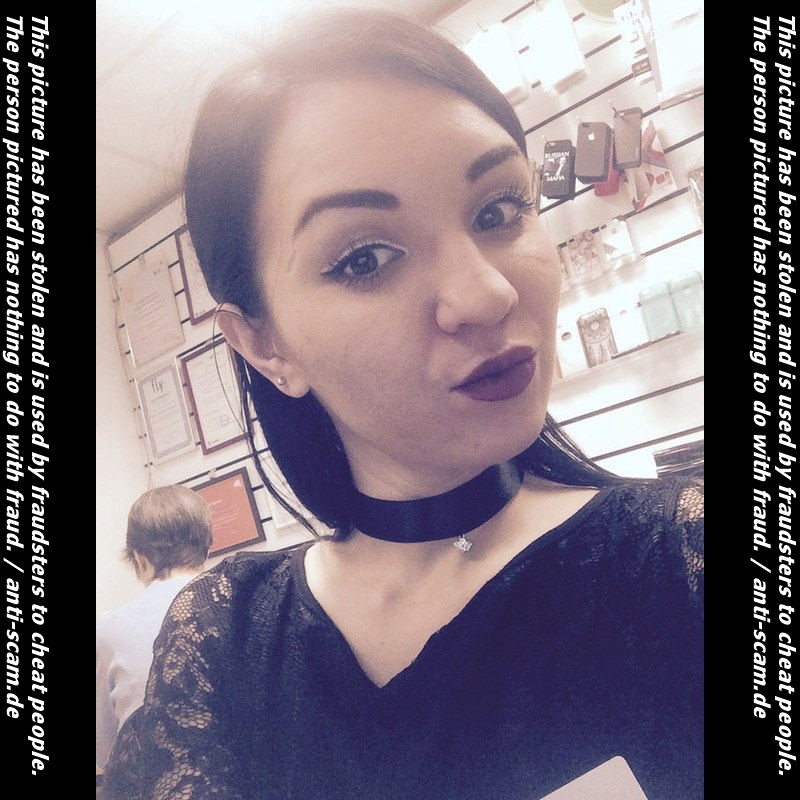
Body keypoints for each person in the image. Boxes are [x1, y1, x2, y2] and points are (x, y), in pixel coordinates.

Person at [102, 8, 703, 799]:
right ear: (264, 345)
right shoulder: (222, 647)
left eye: (498, 211)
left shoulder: (679, 562)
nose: (486, 294)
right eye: (365, 258)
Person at [96, 485, 213, 770]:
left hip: (157, 780)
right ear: (207, 545)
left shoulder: (106, 629)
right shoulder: (243, 600)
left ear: (139, 558)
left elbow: (106, 748)